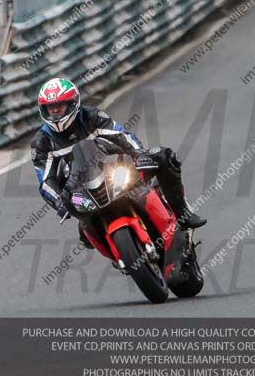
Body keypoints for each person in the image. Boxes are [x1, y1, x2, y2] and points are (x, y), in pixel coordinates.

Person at [31, 78, 206, 248]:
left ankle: (182, 212)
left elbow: (122, 136)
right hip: (81, 193)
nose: (55, 112)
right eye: (50, 108)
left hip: (115, 172)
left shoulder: (92, 116)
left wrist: (139, 155)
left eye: (59, 106)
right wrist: (59, 202)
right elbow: (46, 181)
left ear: (72, 104)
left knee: (165, 157)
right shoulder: (41, 142)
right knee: (85, 236)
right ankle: (114, 246)